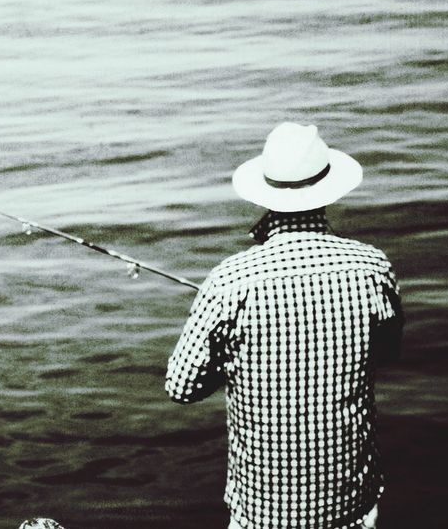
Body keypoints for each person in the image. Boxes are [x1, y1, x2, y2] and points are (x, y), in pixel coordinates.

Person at [166, 122, 403, 529]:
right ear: (328, 190)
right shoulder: (371, 267)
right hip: (349, 503)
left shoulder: (232, 279)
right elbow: (386, 353)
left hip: (263, 512)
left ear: (266, 193)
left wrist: (234, 358)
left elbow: (182, 387)